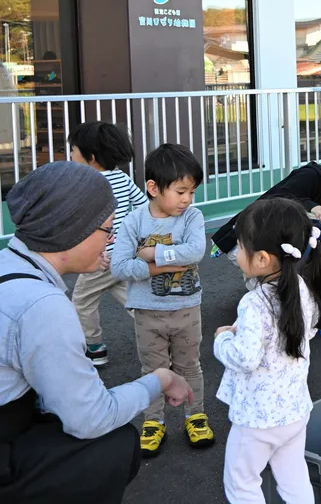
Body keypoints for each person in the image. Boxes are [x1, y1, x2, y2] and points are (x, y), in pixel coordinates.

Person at [0, 161, 193, 504]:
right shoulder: (42, 306)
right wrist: (160, 380)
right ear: (71, 229)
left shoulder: (9, 265)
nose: (113, 237)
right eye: (106, 228)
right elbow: (90, 418)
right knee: (112, 444)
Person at [215, 198, 321, 504]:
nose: (237, 253)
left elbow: (246, 357)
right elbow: (302, 331)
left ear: (264, 259)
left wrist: (222, 339)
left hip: (257, 418)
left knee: (242, 484)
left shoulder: (254, 303)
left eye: (240, 247)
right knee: (294, 479)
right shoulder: (302, 290)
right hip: (293, 411)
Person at [111, 143, 213, 457]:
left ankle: (195, 414)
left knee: (189, 366)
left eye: (192, 192)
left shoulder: (192, 217)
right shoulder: (134, 222)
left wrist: (151, 254)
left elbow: (196, 251)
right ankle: (153, 421)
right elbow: (119, 266)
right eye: (181, 191)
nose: (187, 200)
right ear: (153, 188)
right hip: (147, 312)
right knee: (152, 369)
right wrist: (163, 266)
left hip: (186, 308)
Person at [68, 121, 148, 367]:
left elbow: (87, 224)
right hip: (125, 255)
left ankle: (94, 348)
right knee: (132, 299)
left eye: (73, 150)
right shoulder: (121, 178)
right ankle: (159, 335)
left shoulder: (85, 184)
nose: (70, 155)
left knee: (82, 301)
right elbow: (144, 206)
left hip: (101, 258)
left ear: (91, 158)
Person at [212, 149, 321, 264]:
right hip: (250, 237)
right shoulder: (312, 175)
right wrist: (312, 206)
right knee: (271, 286)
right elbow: (279, 197)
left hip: (273, 241)